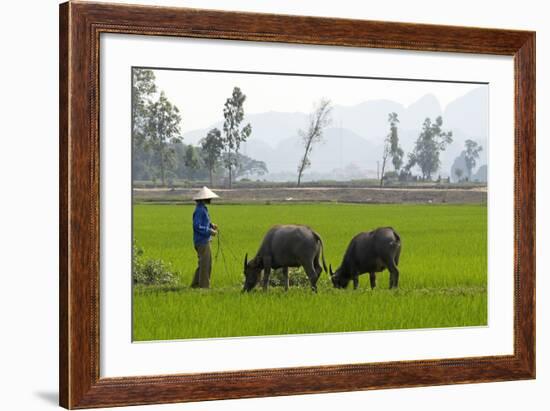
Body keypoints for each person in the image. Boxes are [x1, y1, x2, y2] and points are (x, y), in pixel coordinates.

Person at [190, 186, 219, 288]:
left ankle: (195, 284)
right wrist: (209, 231)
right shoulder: (200, 210)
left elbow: (203, 222)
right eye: (209, 198)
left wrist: (211, 225)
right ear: (203, 198)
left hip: (203, 240)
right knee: (206, 264)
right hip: (202, 241)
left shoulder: (203, 209)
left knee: (203, 263)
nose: (210, 199)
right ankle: (204, 286)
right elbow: (197, 226)